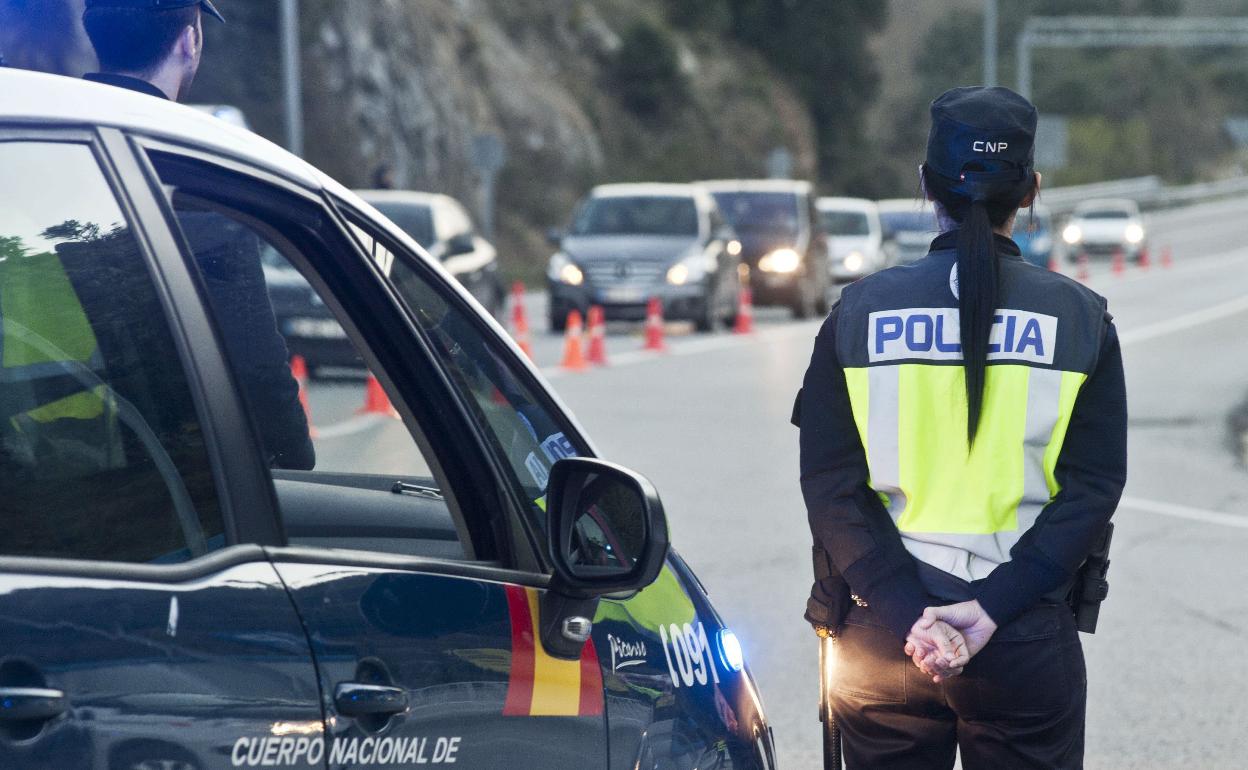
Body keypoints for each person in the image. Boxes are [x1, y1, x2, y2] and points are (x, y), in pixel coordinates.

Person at [797, 86, 1127, 768]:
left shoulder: (858, 313)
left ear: (925, 186)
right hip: (1022, 634)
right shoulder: (1083, 320)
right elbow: (1093, 487)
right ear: (1031, 190)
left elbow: (830, 484)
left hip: (882, 636)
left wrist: (906, 609)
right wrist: (991, 608)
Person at [81, 0, 315, 470]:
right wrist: (294, 455)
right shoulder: (192, 180)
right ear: (189, 43)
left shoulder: (42, 139)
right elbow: (256, 373)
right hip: (150, 490)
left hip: (41, 460)